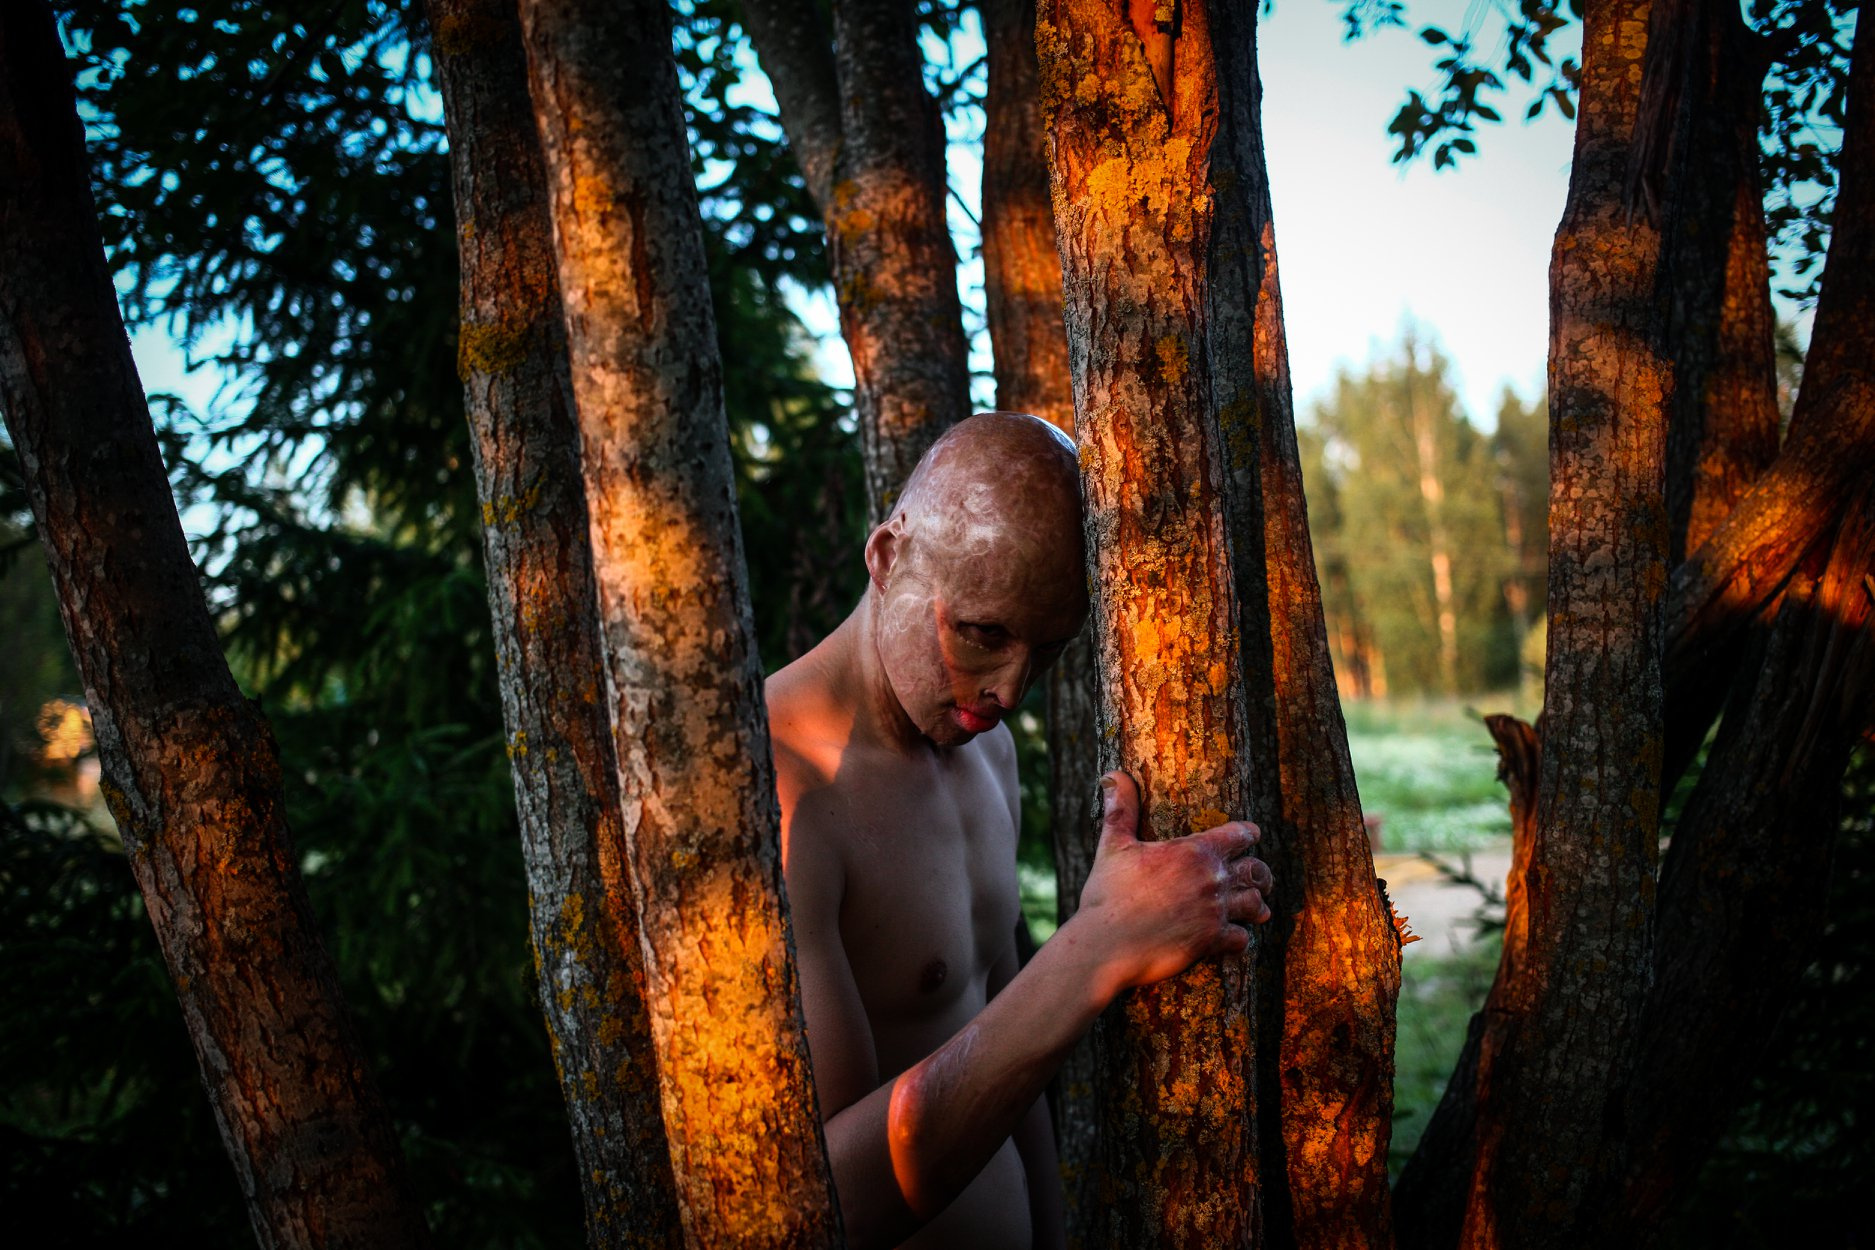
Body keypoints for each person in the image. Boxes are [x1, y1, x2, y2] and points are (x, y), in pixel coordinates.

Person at [765, 412, 1274, 1250]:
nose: (1009, 691)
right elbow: (827, 1205)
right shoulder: (785, 792)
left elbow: (1004, 1045)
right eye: (983, 634)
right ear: (888, 559)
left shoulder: (986, 755)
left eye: (1045, 651)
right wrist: (1097, 949)